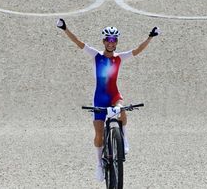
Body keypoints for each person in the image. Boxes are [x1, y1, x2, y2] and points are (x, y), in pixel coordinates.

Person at [56, 18, 159, 182]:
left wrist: (150, 37)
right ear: (104, 41)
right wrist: (65, 28)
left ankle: (124, 139)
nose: (111, 43)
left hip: (114, 95)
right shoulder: (96, 55)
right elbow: (79, 42)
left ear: (116, 42)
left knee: (122, 109)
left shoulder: (119, 57)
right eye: (108, 40)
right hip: (99, 98)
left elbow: (137, 50)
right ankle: (99, 165)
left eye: (114, 40)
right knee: (99, 135)